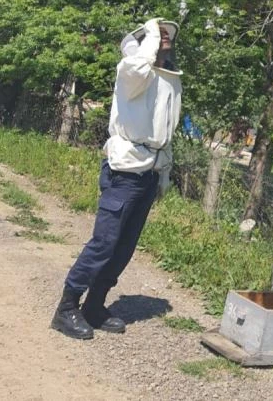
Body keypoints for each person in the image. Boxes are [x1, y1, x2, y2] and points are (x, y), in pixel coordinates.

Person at [51, 18, 182, 340]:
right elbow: (138, 67)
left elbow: (162, 130)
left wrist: (163, 172)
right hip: (124, 171)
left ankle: (95, 305)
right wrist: (148, 35)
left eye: (166, 34)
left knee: (123, 247)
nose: (163, 37)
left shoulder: (167, 77)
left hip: (149, 171)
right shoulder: (132, 71)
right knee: (104, 243)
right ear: (143, 40)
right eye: (157, 33)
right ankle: (66, 309)